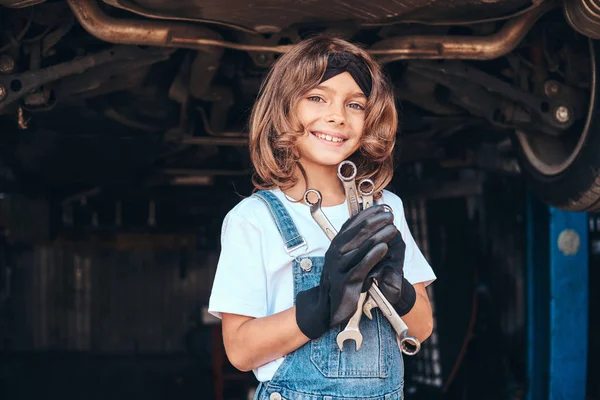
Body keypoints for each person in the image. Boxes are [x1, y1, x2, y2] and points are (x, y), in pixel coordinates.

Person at [208, 35, 436, 400]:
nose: (337, 116)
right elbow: (239, 350)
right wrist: (325, 302)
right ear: (283, 109)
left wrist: (397, 289)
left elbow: (421, 328)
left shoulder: (384, 208)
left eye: (355, 104)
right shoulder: (252, 219)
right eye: (317, 97)